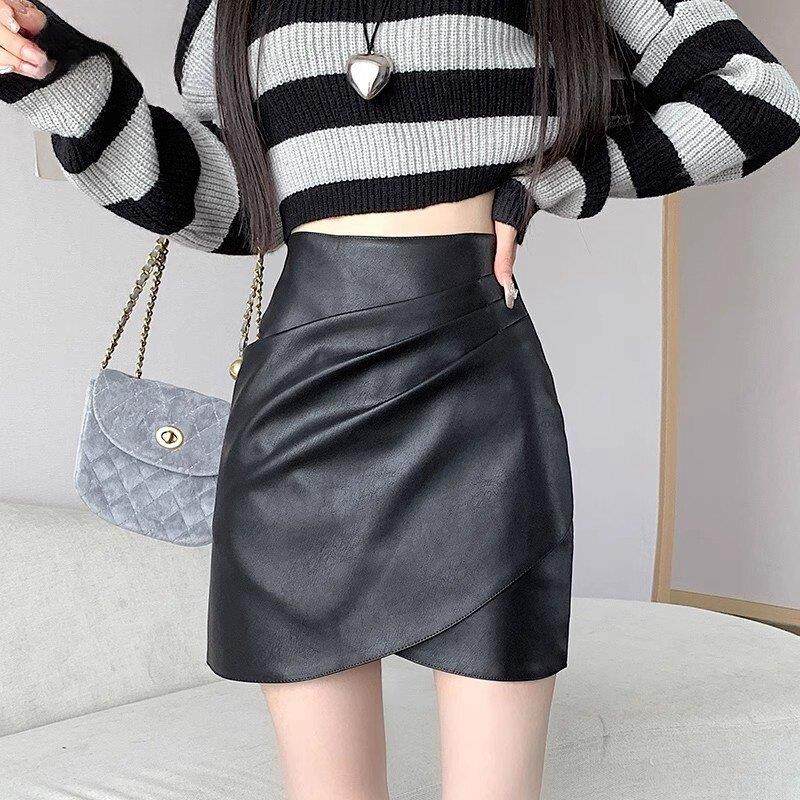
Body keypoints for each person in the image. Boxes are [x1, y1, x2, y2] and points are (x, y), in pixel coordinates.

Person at [2, 1, 798, 798]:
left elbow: (757, 96)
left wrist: (556, 181)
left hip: (478, 394)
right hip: (301, 403)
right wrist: (56, 71)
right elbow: (229, 204)